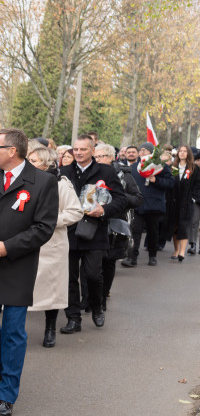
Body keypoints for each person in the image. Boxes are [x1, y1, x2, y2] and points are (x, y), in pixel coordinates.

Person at [0, 128, 58, 416]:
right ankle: (1, 368)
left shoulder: (43, 182)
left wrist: (7, 247)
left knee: (14, 331)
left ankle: (7, 395)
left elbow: (43, 228)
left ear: (12, 151)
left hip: (17, 265)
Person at [58, 135, 127, 332]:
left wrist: (103, 210)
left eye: (83, 149)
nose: (78, 153)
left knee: (93, 275)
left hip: (94, 231)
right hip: (69, 231)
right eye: (75, 149)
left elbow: (120, 200)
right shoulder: (63, 172)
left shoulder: (105, 171)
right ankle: (73, 318)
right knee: (69, 278)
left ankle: (97, 307)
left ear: (92, 151)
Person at [26, 146, 83, 348]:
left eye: (33, 160)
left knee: (51, 289)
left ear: (46, 163)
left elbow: (76, 211)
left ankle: (50, 328)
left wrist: (50, 220)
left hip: (52, 244)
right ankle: (15, 330)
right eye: (28, 159)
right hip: (25, 242)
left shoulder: (60, 184)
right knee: (22, 286)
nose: (28, 163)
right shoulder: (24, 183)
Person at [94, 143, 141, 307]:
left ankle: (102, 296)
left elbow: (137, 199)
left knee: (108, 262)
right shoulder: (89, 173)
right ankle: (90, 297)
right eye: (96, 157)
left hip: (114, 225)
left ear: (111, 158)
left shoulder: (124, 175)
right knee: (91, 264)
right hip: (92, 224)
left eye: (102, 157)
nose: (98, 160)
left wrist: (118, 196)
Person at [124, 143, 172, 267]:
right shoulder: (134, 167)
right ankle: (132, 258)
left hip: (154, 205)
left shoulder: (160, 166)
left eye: (144, 150)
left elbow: (171, 183)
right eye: (141, 150)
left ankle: (152, 256)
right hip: (137, 205)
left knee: (152, 232)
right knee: (135, 231)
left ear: (151, 152)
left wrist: (156, 180)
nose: (141, 152)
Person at [169, 145, 199, 261]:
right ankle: (176, 250)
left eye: (184, 151)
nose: (182, 153)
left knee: (184, 225)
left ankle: (182, 252)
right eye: (180, 151)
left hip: (187, 202)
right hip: (174, 201)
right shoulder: (174, 167)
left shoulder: (194, 168)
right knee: (175, 226)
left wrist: (193, 198)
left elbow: (197, 185)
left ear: (188, 153)